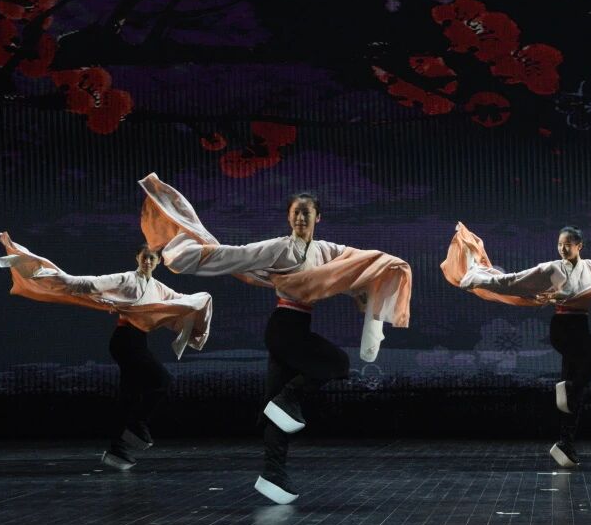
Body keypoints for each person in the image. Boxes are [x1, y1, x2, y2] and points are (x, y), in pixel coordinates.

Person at [138, 173, 412, 504]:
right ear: (289, 217)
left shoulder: (326, 251)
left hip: (296, 328)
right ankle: (288, 399)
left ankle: (273, 473)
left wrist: (375, 281)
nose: (300, 218)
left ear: (317, 217)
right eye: (296, 212)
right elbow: (234, 255)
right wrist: (187, 254)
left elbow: (357, 264)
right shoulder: (279, 247)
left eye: (306, 213)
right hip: (284, 329)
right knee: (336, 363)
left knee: (274, 407)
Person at [442, 221, 591, 468]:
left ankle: (565, 443)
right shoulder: (551, 268)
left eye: (568, 244)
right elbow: (513, 281)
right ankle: (571, 387)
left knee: (574, 398)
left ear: (579, 246)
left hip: (580, 327)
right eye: (560, 244)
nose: (562, 249)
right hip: (563, 329)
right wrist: (478, 278)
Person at [0, 233, 212, 470]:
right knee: (162, 380)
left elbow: (180, 301)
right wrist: (49, 274)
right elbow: (90, 284)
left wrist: (203, 299)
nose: (148, 261)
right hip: (125, 341)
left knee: (130, 396)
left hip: (137, 341)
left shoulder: (158, 288)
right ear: (137, 258)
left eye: (152, 258)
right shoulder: (126, 278)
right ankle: (136, 425)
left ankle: (117, 451)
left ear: (158, 261)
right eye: (144, 257)